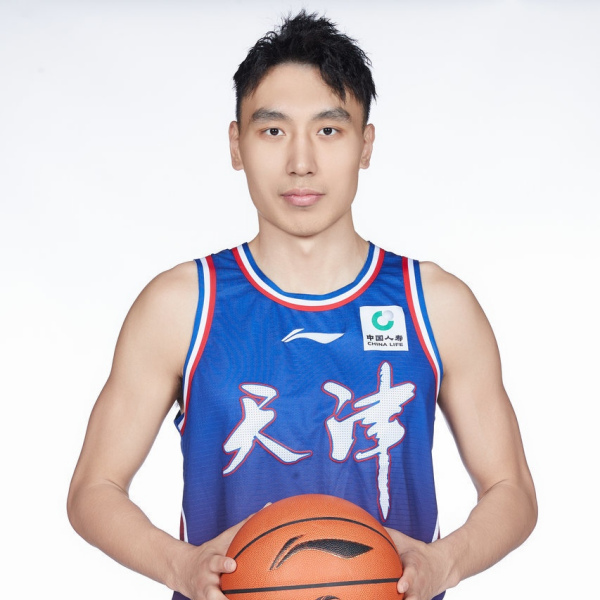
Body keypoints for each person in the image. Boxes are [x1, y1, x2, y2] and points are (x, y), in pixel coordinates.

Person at [67, 11, 537, 600]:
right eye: (272, 131)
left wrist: (445, 562)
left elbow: (512, 490)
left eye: (329, 130)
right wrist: (177, 565)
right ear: (236, 144)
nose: (301, 162)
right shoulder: (181, 305)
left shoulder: (435, 304)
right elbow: (93, 489)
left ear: (365, 145)